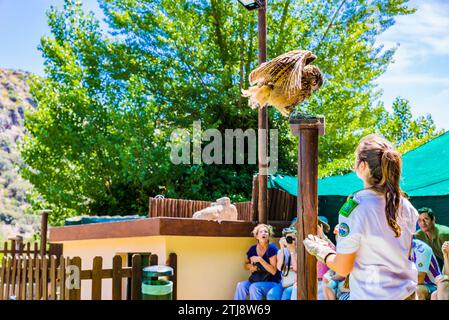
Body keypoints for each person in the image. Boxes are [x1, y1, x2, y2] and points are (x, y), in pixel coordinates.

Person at [303, 134, 418, 300]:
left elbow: (343, 268)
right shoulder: (406, 206)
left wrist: (323, 251)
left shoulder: (354, 208)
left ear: (363, 166)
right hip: (407, 294)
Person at [234, 224, 281, 300]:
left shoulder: (272, 248)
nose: (263, 233)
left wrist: (260, 260)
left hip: (272, 282)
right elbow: (246, 265)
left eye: (266, 232)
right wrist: (250, 267)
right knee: (240, 286)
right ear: (256, 236)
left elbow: (273, 271)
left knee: (254, 287)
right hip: (256, 280)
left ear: (269, 236)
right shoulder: (252, 249)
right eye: (261, 232)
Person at [266, 227, 297, 300]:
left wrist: (292, 251)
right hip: (284, 282)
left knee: (286, 293)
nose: (291, 241)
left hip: (296, 282)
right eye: (288, 238)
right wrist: (282, 247)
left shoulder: (300, 251)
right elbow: (279, 267)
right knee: (271, 294)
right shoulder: (281, 251)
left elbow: (296, 268)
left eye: (293, 238)